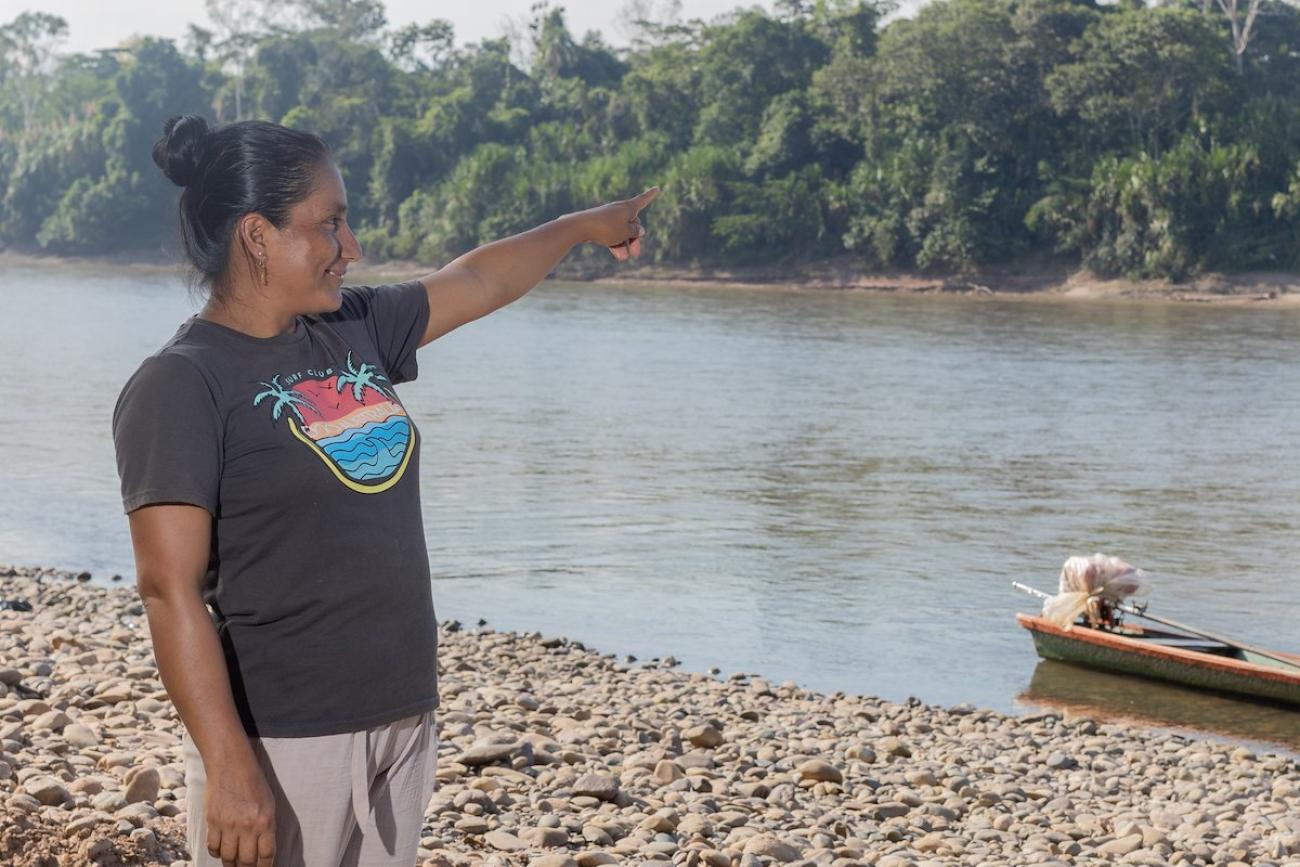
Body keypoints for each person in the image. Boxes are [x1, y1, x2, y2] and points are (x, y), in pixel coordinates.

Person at [112, 114, 658, 867]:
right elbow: (167, 590)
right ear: (257, 236)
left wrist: (580, 226)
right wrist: (231, 767)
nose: (353, 246)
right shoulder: (181, 383)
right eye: (330, 223)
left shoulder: (352, 328)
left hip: (402, 716)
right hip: (284, 735)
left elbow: (476, 278)